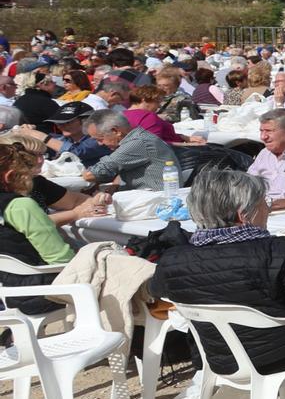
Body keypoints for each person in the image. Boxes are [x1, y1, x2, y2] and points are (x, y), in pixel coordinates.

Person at [153, 168, 285, 399]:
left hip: (219, 355)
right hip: (275, 354)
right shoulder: (282, 255)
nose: (268, 209)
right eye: (264, 204)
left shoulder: (173, 259)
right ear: (244, 214)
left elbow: (158, 290)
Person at [0, 146, 75, 297]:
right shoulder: (20, 206)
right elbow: (60, 258)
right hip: (36, 291)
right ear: (10, 176)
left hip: (7, 290)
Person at [81, 112, 174, 190]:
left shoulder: (138, 143)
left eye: (100, 139)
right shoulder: (138, 137)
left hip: (157, 199)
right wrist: (114, 187)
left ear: (116, 131)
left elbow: (92, 174)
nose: (100, 144)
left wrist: (81, 172)